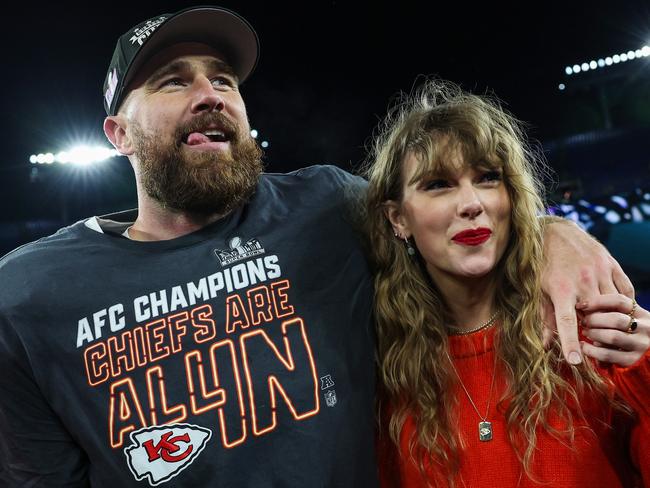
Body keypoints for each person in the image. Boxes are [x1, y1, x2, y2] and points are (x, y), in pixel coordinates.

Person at [0, 6, 635, 487]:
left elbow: (444, 206)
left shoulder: (327, 205)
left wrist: (555, 232)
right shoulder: (29, 297)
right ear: (118, 133)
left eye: (223, 78)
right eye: (172, 82)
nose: (209, 94)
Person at [365, 79, 649, 487]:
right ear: (398, 219)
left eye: (487, 178)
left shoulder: (588, 328)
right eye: (438, 184)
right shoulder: (383, 372)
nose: (471, 204)